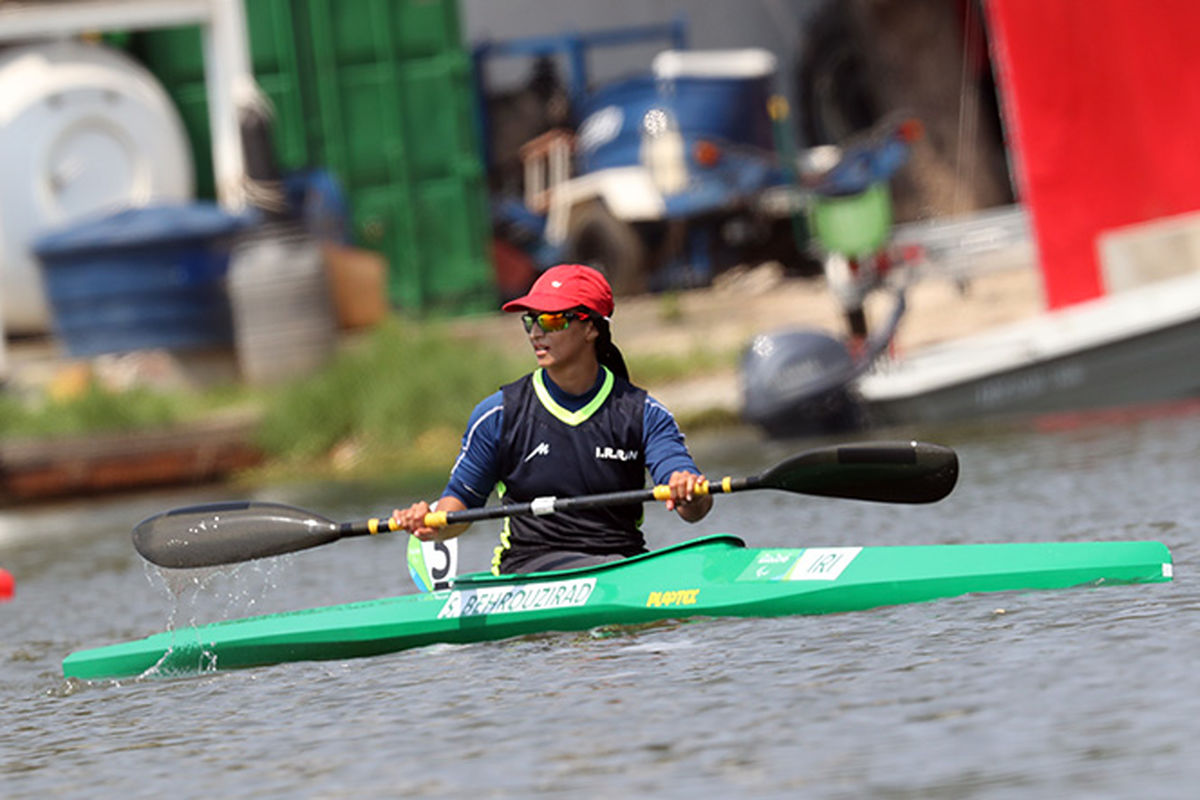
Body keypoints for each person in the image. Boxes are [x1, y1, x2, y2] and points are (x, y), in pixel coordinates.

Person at [391, 264, 712, 575]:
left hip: (622, 567)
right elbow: (459, 508)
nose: (536, 332)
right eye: (531, 320)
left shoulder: (643, 413)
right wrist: (431, 523)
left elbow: (693, 509)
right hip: (528, 573)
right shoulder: (498, 415)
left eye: (552, 320)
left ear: (591, 328)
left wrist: (689, 491)